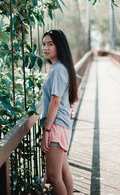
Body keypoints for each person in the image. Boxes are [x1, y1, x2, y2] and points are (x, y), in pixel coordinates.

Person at [40, 29, 78, 195]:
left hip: (55, 126)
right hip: (61, 125)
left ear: (59, 46)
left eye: (50, 44)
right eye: (44, 44)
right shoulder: (60, 68)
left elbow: (55, 101)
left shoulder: (58, 70)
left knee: (54, 177)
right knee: (63, 172)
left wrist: (46, 131)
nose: (45, 48)